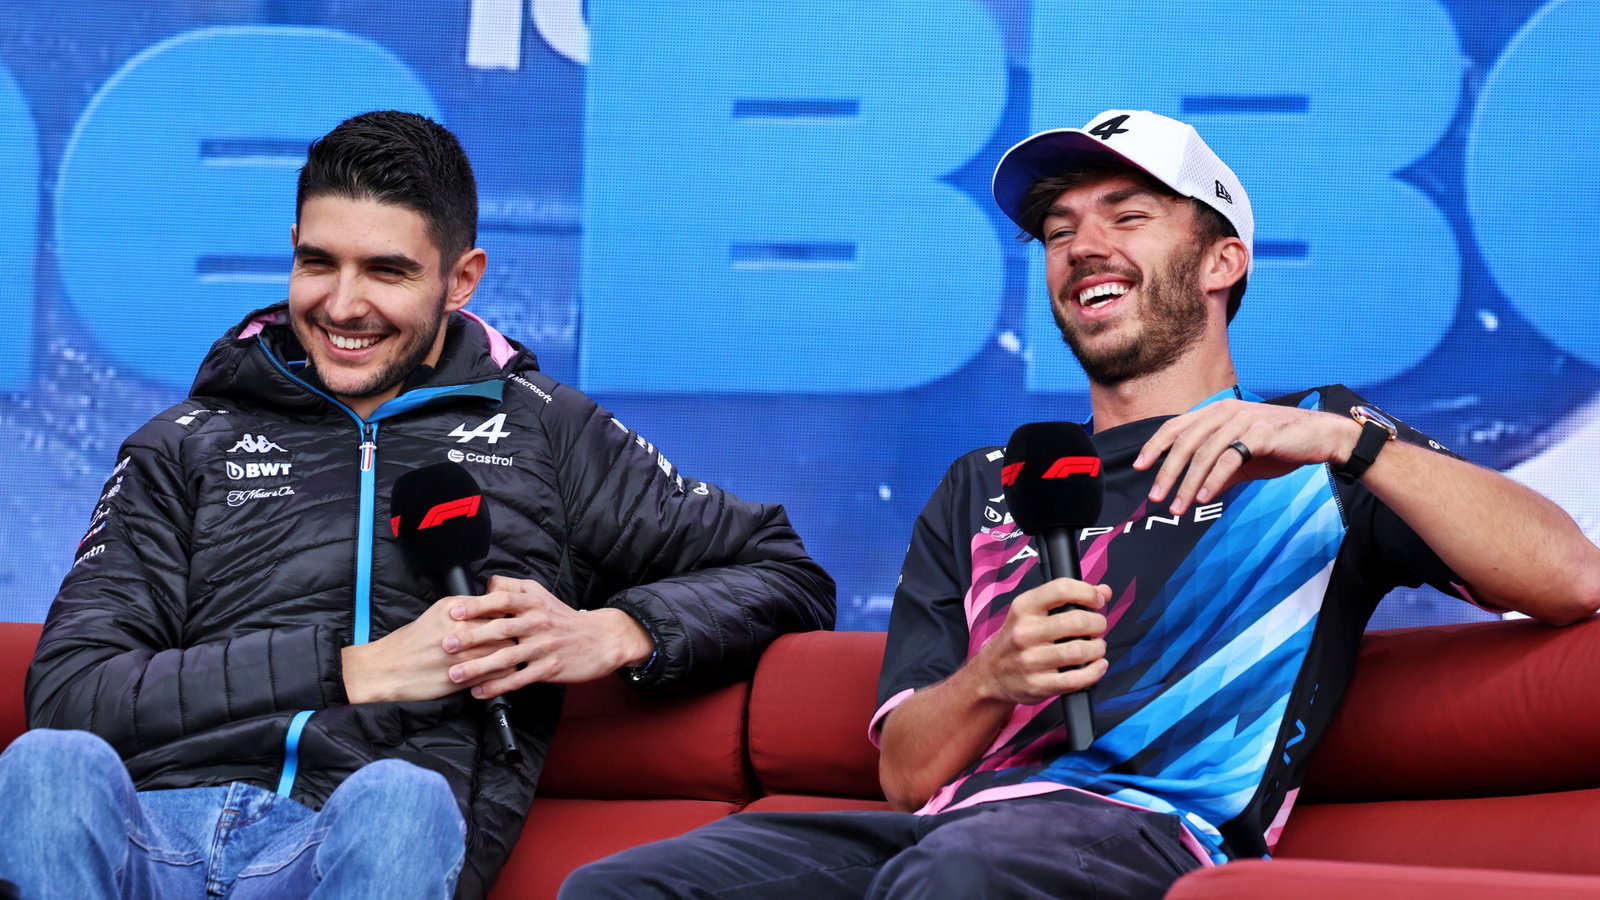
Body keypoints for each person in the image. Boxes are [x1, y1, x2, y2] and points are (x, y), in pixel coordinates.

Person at [559, 109, 1600, 899]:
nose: (1082, 245)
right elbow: (905, 773)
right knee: (617, 886)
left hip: (1144, 830)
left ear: (1220, 261)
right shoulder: (985, 483)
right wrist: (990, 676)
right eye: (1059, 230)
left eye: (1128, 216)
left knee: (957, 879)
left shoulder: (1317, 452)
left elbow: (1569, 577)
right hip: (950, 830)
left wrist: (1349, 441)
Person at [0, 110, 835, 900]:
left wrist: (617, 631)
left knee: (405, 796)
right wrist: (352, 668)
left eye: (387, 271)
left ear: (460, 279)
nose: (341, 305)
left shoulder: (546, 432)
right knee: (48, 767)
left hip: (356, 836)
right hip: (156, 836)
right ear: (291, 249)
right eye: (319, 262)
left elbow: (784, 570)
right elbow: (71, 691)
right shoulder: (185, 441)